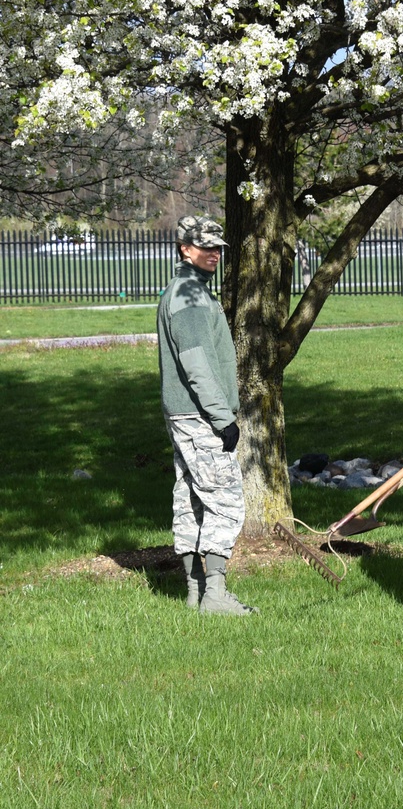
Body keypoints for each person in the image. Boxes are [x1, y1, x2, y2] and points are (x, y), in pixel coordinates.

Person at [157, 214, 257, 616]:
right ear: (185, 249)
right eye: (205, 246)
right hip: (199, 415)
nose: (214, 253)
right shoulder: (190, 296)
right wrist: (222, 418)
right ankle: (215, 596)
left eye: (217, 247)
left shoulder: (185, 290)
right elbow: (196, 363)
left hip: (184, 413)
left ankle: (195, 591)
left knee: (189, 499)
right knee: (225, 501)